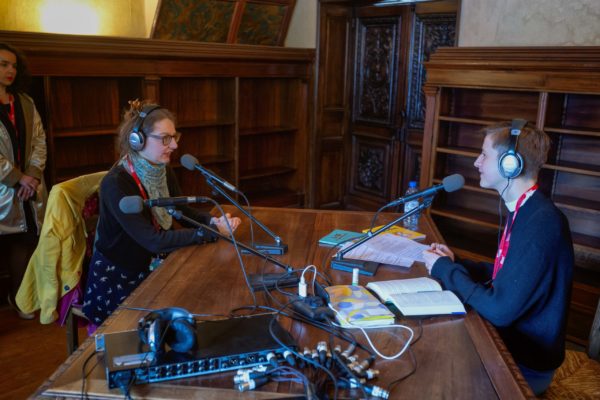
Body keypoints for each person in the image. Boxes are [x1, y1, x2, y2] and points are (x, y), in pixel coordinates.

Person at [422, 121, 574, 396]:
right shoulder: (527, 208)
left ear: (510, 165)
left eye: (484, 154)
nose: (477, 162)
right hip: (512, 346)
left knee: (435, 372)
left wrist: (447, 271)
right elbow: (511, 272)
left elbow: (501, 311)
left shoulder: (542, 222)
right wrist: (456, 264)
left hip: (525, 366)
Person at [82, 99, 240, 329]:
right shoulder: (116, 183)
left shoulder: (161, 169)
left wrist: (212, 220)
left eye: (175, 137)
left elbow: (181, 210)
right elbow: (153, 241)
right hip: (119, 279)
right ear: (138, 140)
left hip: (153, 267)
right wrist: (211, 232)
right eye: (165, 138)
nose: (174, 145)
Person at [0, 42, 47, 320]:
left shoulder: (25, 103)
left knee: (29, 240)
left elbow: (39, 140)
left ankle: (26, 296)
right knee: (12, 242)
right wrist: (18, 179)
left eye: (14, 65)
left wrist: (33, 175)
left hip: (30, 187)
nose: (10, 70)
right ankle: (16, 299)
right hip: (5, 189)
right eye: (3, 64)